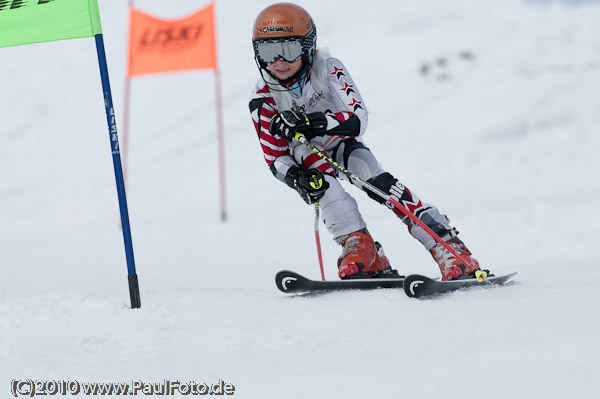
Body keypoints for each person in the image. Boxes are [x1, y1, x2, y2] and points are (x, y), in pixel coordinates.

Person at [248, 3, 482, 281]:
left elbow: (358, 119)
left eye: (287, 50)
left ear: (308, 46)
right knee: (321, 186)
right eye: (267, 52)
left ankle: (449, 248)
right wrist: (297, 177)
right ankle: (362, 250)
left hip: (343, 143)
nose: (278, 62)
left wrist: (313, 123)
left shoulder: (327, 68)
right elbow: (275, 158)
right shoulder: (262, 97)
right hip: (308, 154)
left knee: (380, 186)